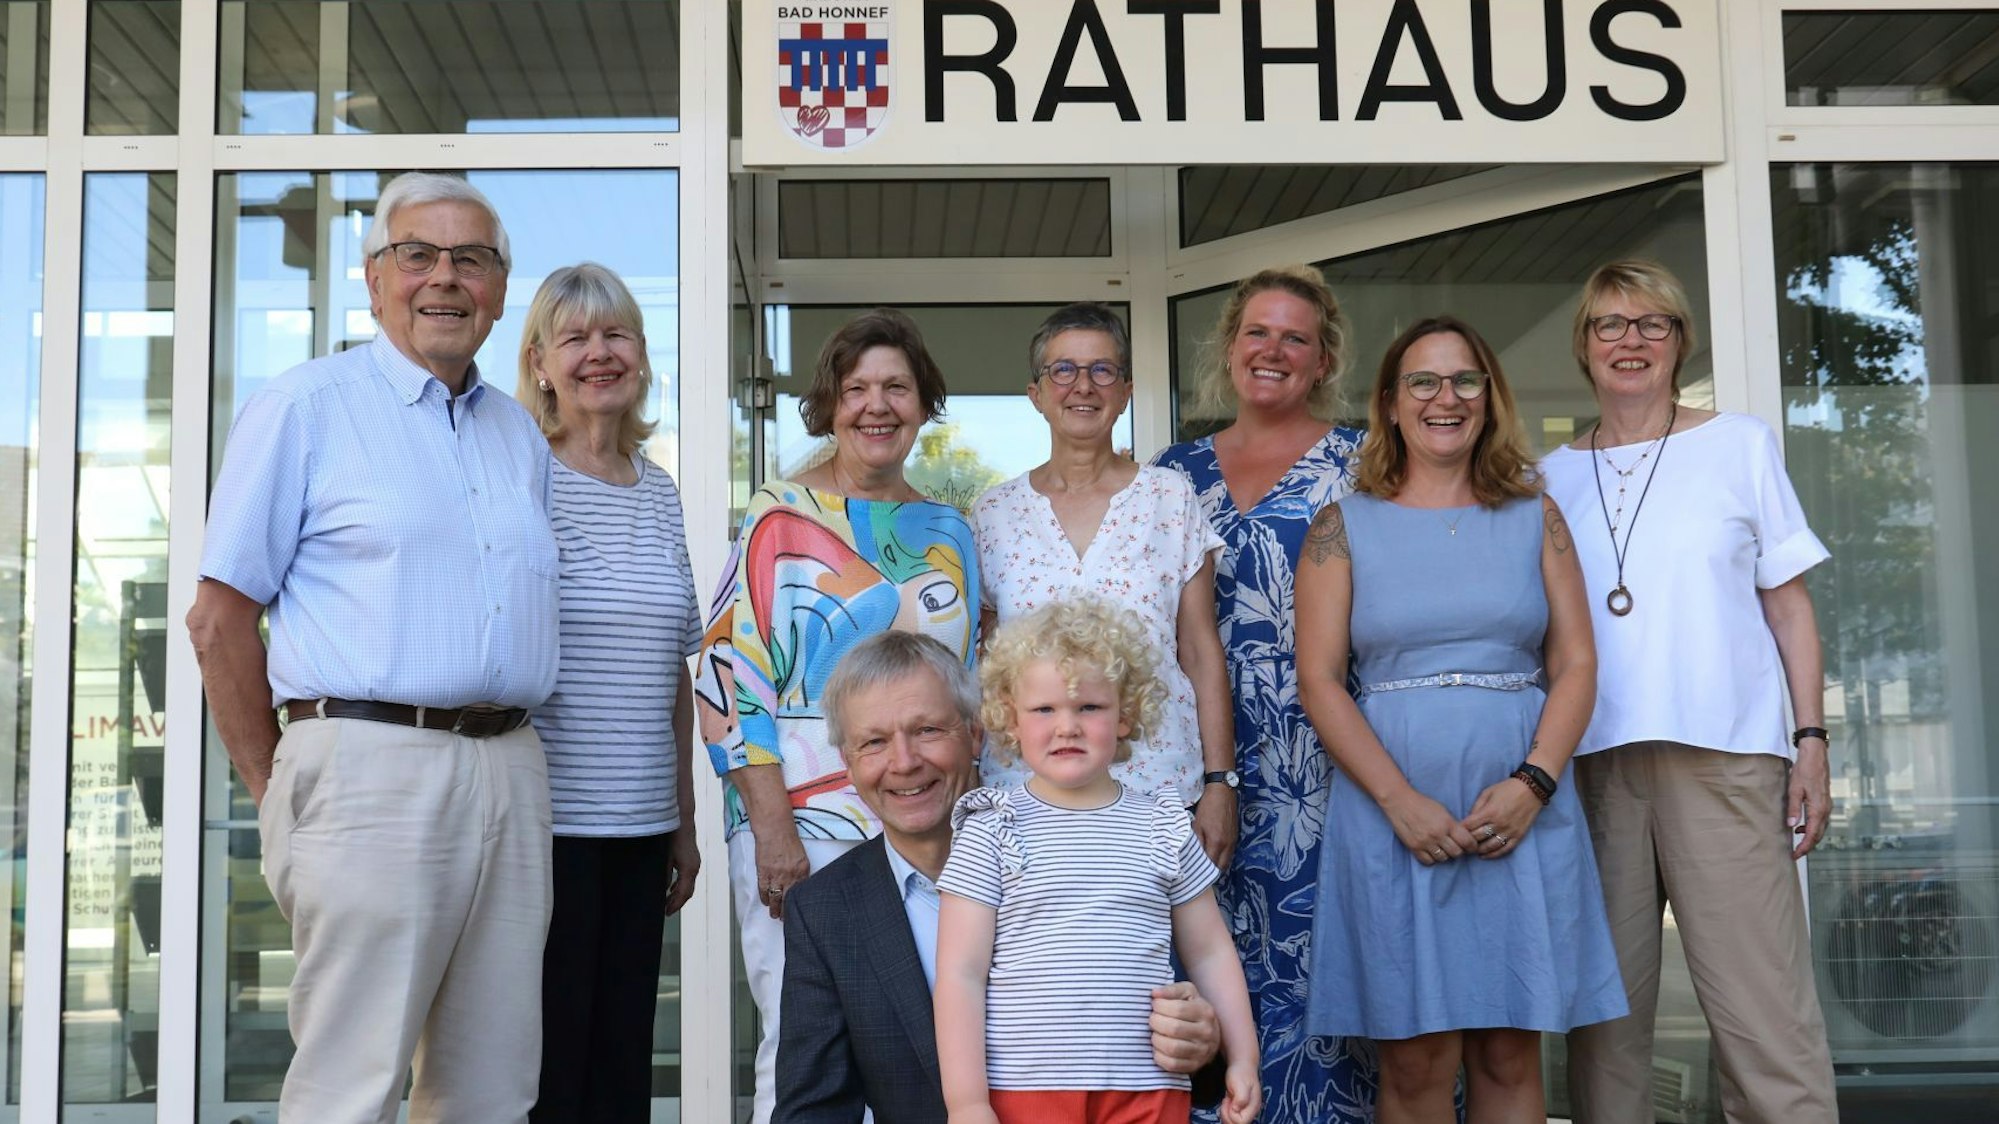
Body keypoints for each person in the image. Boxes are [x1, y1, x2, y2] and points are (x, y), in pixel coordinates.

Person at [187, 172, 555, 1124]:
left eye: (469, 259)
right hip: (363, 769)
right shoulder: (307, 406)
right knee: (351, 1082)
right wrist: (280, 787)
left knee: (491, 1084)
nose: (444, 278)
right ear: (374, 278)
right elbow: (219, 619)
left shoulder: (518, 435)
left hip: (509, 772)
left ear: (500, 285)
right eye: (417, 255)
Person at [1294, 316, 1627, 1122]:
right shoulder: (1342, 526)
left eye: (1464, 380)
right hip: (1390, 812)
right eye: (1423, 381)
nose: (1446, 398)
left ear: (1488, 396)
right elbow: (1319, 681)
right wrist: (1399, 803)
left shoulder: (1534, 517)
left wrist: (1533, 784)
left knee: (1512, 1051)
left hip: (1519, 807)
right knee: (1414, 1060)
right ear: (1391, 401)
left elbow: (1576, 665)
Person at [1541, 259, 1840, 1122]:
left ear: (1679, 343)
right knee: (1603, 1029)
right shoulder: (1542, 478)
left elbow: (1788, 609)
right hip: (1589, 770)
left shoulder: (1736, 444)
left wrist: (1810, 740)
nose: (1629, 341)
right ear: (1584, 347)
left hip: (1725, 759)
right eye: (1609, 325)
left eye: (1651, 324)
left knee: (1762, 1018)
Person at [693, 308, 981, 1124]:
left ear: (924, 403)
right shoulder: (778, 515)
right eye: (856, 390)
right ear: (829, 405)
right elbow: (728, 675)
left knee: (931, 1037)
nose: (876, 406)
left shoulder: (950, 528)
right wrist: (771, 827)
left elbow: (964, 687)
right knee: (804, 1041)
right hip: (802, 812)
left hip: (931, 821)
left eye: (896, 386)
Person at [774, 629, 1223, 1123]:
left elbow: (1189, 1014)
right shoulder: (825, 911)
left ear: (975, 733)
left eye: (927, 730)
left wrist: (1205, 1047)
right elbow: (813, 1112)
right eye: (874, 742)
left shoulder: (1112, 843)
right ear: (848, 764)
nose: (904, 762)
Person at [1150, 263, 1372, 1120]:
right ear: (1228, 348)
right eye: (1256, 332)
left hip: (1322, 759)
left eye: (1294, 338)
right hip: (1189, 764)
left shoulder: (1364, 466)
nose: (1271, 350)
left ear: (1322, 362)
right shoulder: (1170, 475)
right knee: (1205, 968)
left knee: (1324, 968)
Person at [935, 599, 1262, 1124]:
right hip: (1025, 1087)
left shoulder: (1162, 822)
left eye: (1088, 707)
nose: (1067, 726)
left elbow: (1210, 954)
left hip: (1147, 1087)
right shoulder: (990, 826)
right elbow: (960, 973)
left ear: (1125, 714)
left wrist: (1244, 1058)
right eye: (1044, 710)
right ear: (1010, 718)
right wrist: (967, 1102)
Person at [517, 263, 702, 1122]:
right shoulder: (524, 476)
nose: (599, 353)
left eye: (616, 334)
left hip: (639, 825)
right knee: (549, 1062)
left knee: (625, 1057)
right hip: (542, 825)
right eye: (576, 338)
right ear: (541, 363)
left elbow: (675, 671)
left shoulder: (658, 490)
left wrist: (684, 824)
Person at [972, 302, 1236, 865]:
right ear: (1036, 393)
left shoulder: (1169, 498)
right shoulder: (993, 514)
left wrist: (1220, 782)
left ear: (1126, 391)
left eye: (1102, 370)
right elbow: (985, 665)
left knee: (1157, 950)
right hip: (1026, 791)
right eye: (1062, 370)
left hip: (1157, 786)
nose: (1082, 386)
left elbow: (1200, 649)